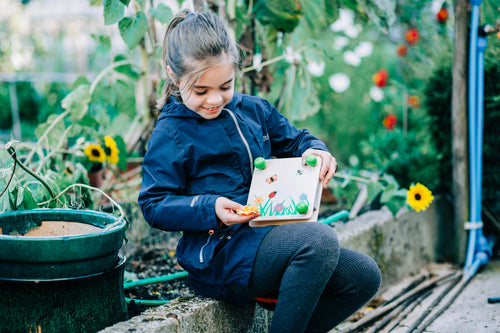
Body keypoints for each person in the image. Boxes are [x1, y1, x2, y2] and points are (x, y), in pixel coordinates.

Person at [138, 9, 381, 333]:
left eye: (225, 85)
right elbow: (154, 204)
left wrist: (316, 151)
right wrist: (209, 208)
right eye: (200, 91)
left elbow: (296, 140)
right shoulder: (171, 134)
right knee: (319, 239)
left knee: (362, 277)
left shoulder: (253, 110)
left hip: (269, 238)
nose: (214, 99)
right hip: (221, 254)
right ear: (172, 75)